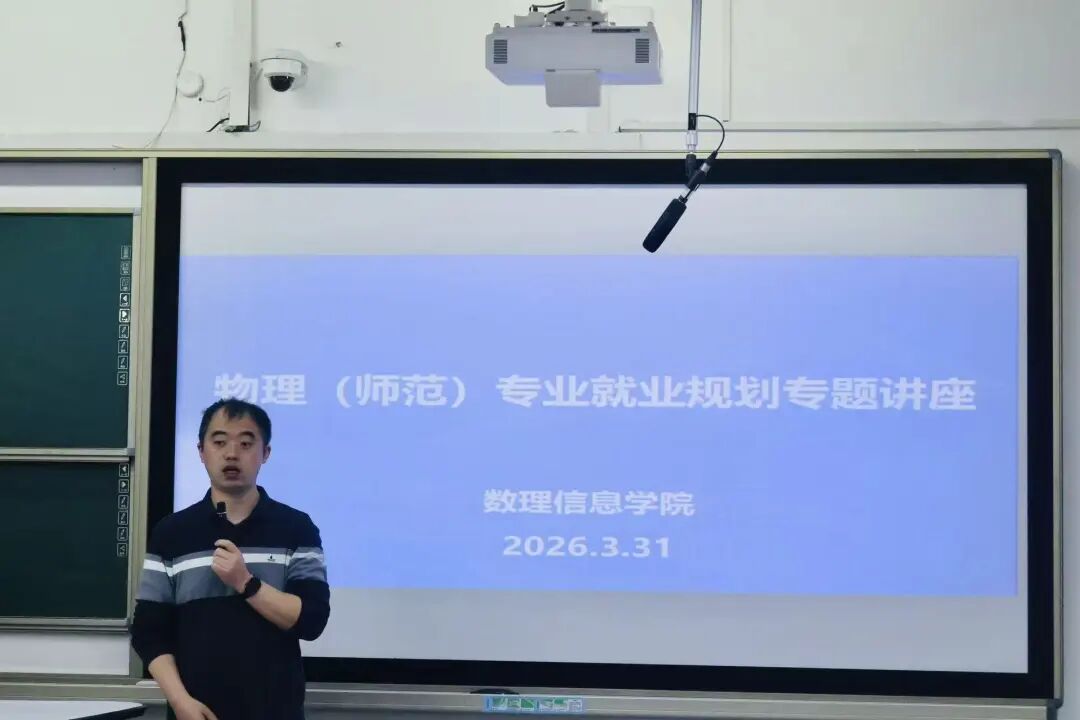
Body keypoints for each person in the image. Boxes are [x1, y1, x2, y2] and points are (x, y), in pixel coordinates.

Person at [131, 398, 330, 720]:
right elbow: (148, 631)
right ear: (201, 451)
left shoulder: (296, 528)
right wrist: (180, 702)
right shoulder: (172, 533)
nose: (232, 453)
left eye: (246, 443)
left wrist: (247, 584)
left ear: (265, 453)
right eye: (220, 442)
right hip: (195, 712)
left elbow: (311, 619)